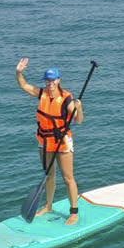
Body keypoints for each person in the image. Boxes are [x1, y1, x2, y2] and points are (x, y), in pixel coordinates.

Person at [16, 57, 84, 225]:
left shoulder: (67, 99)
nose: (50, 83)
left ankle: (74, 212)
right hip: (45, 141)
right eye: (47, 80)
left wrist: (79, 107)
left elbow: (79, 120)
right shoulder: (42, 94)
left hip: (62, 142)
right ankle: (48, 206)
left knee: (68, 178)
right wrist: (19, 72)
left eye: (53, 80)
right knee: (49, 175)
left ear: (58, 80)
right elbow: (24, 85)